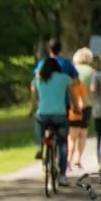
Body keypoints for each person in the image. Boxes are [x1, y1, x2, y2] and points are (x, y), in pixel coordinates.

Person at [31, 56, 76, 186]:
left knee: (38, 122)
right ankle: (62, 175)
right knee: (62, 143)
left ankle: (40, 146)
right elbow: (72, 98)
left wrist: (31, 110)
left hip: (43, 115)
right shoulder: (65, 79)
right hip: (60, 116)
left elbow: (34, 100)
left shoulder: (37, 80)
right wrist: (77, 109)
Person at [67, 48, 96, 170]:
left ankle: (69, 159)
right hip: (87, 104)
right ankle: (78, 159)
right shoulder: (92, 72)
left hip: (73, 105)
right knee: (83, 133)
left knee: (72, 135)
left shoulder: (71, 71)